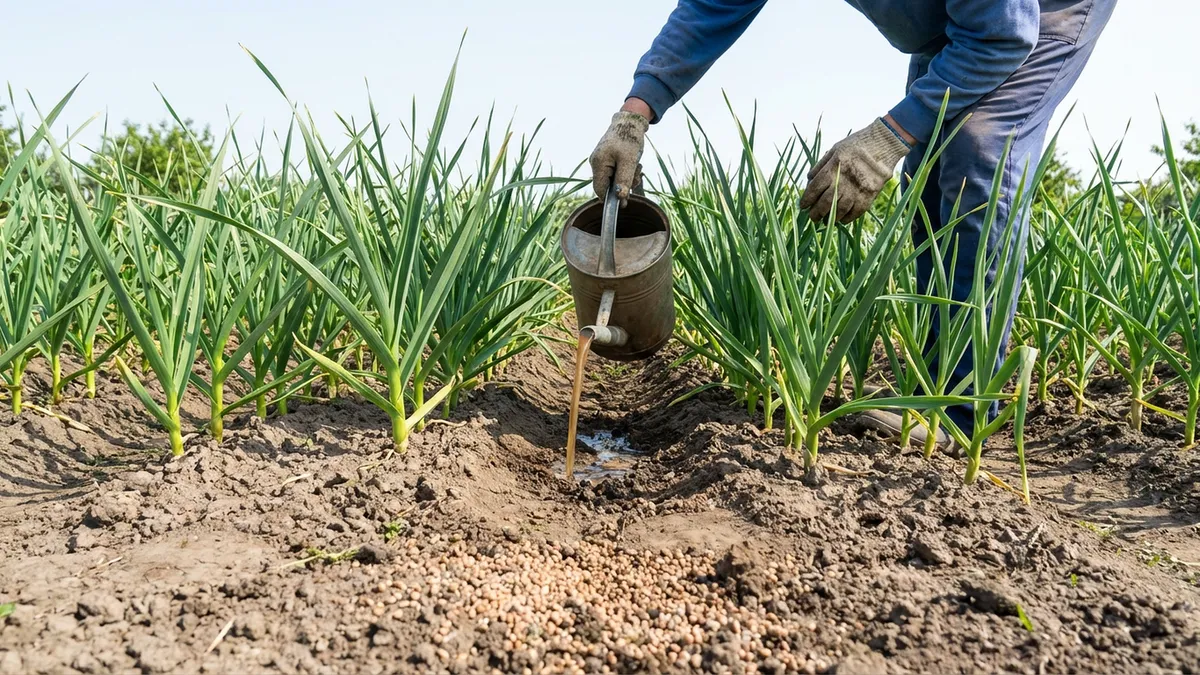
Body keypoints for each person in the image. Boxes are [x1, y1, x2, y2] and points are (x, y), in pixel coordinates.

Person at [589, 0, 1116, 449]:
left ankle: (960, 409)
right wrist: (636, 111)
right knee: (931, 171)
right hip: (958, 25)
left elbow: (1001, 36)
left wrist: (885, 138)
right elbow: (714, 4)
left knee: (978, 152)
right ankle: (937, 389)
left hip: (1032, 16)